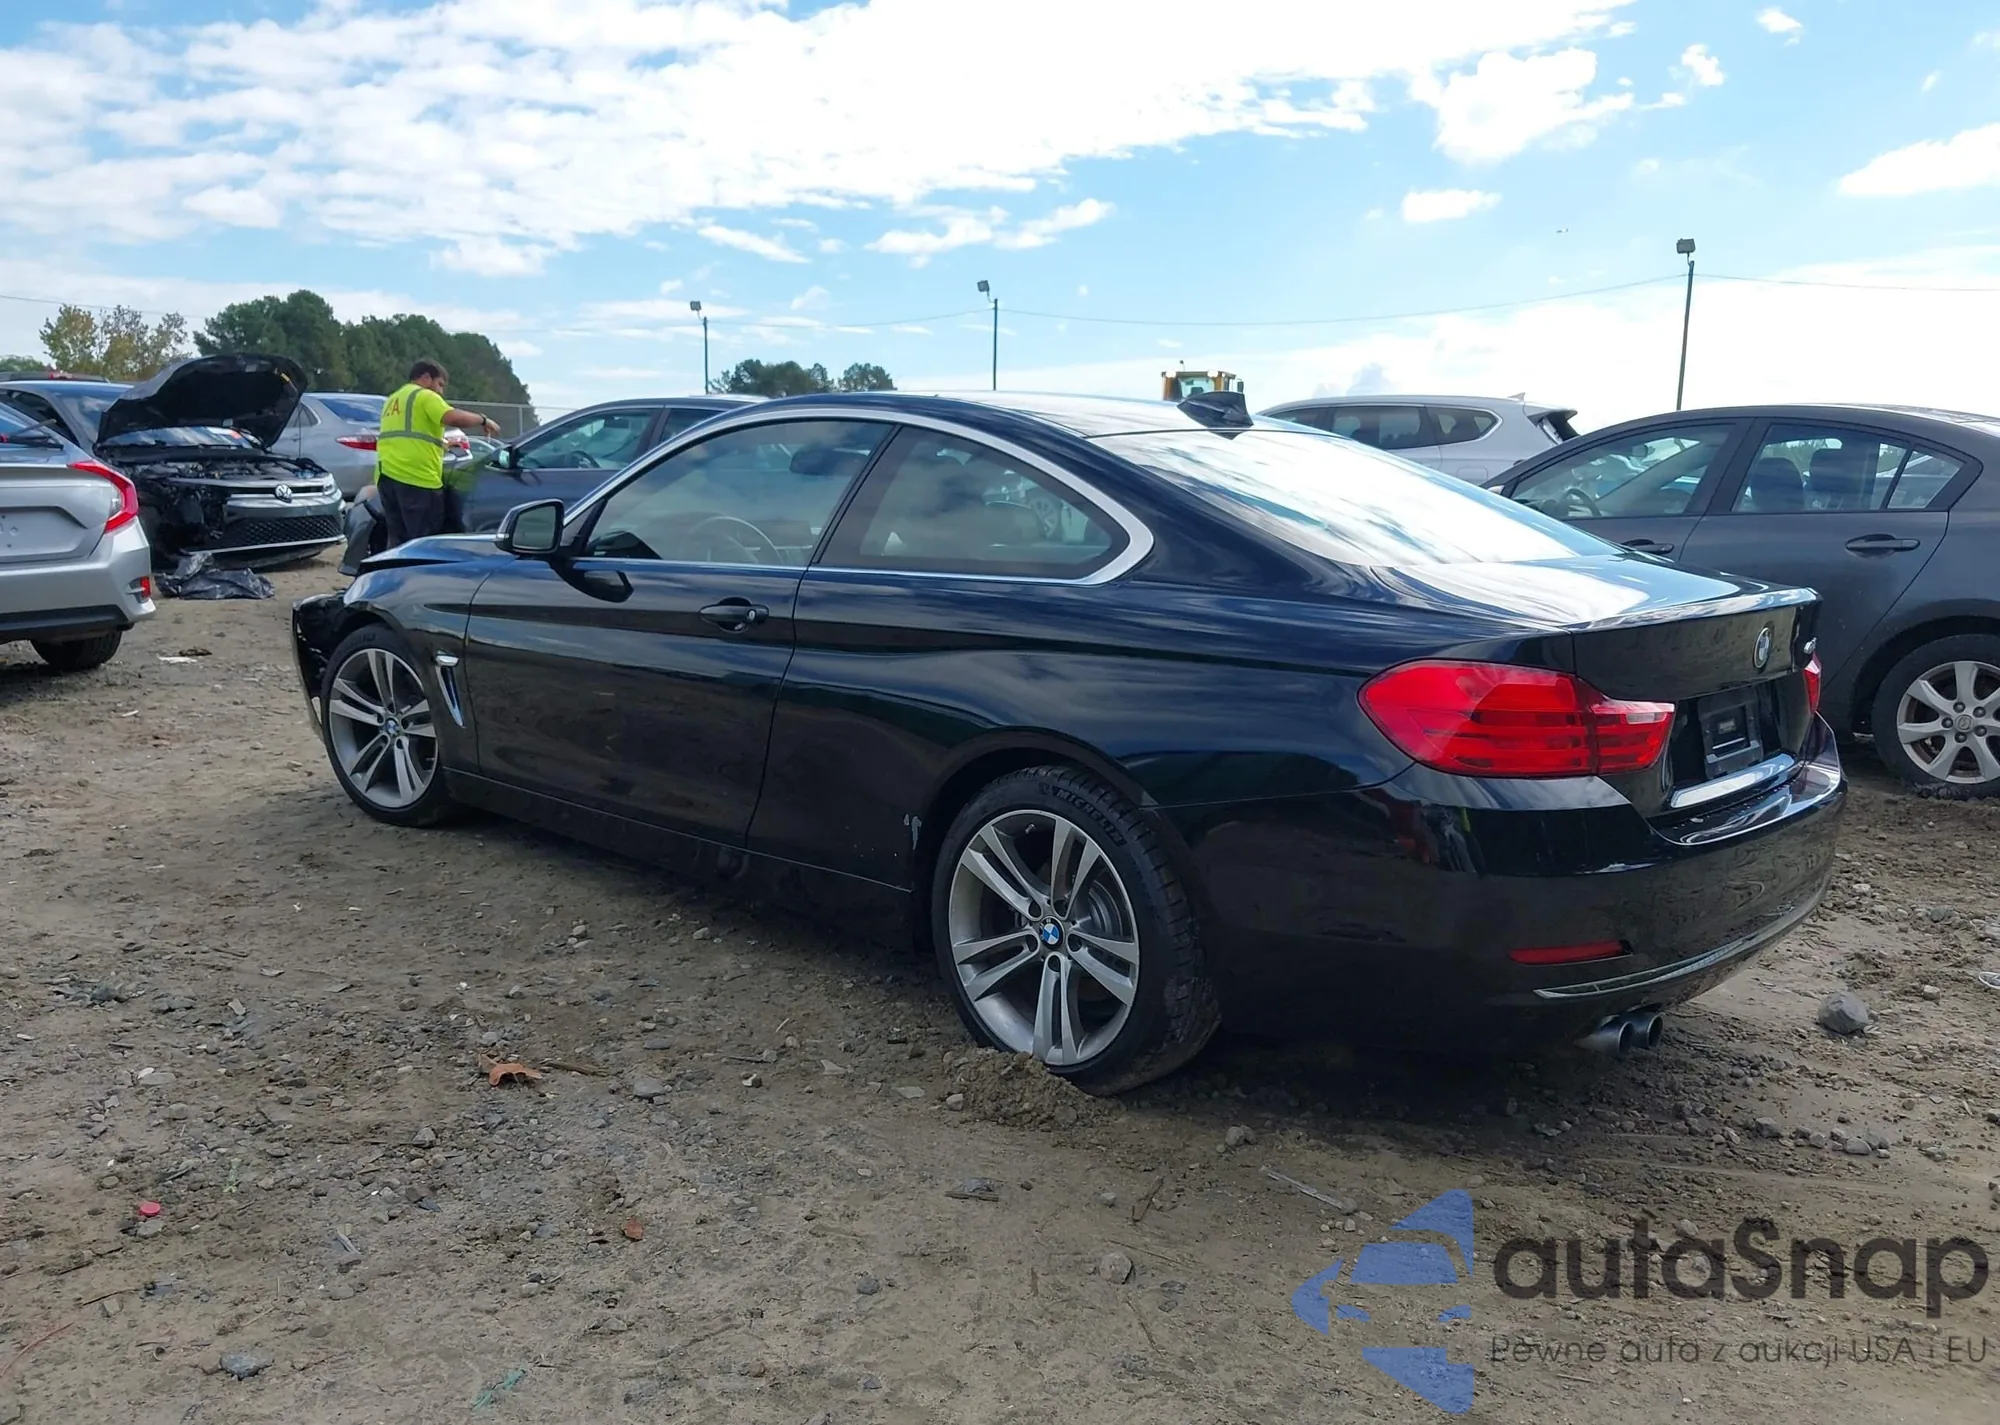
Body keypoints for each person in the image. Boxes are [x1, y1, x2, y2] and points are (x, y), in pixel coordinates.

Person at [376, 360, 501, 546]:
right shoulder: (424, 395)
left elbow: (407, 435)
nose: (441, 392)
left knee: (398, 539)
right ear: (426, 378)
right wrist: (483, 420)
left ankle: (398, 566)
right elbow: (452, 417)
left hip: (387, 477)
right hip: (417, 478)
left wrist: (442, 444)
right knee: (424, 540)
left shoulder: (393, 400)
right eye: (440, 384)